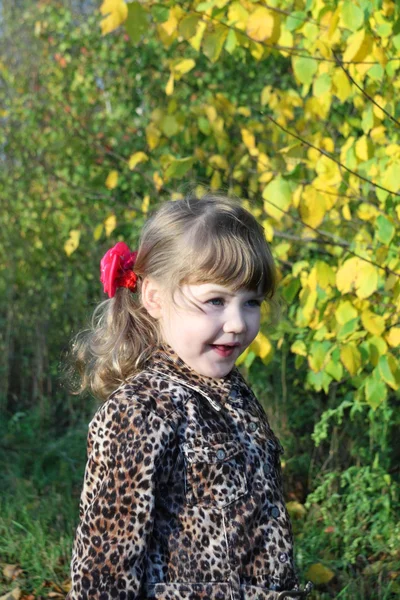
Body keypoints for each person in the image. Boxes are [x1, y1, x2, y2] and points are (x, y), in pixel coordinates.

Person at [67, 193, 313, 600]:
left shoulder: (232, 392)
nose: (237, 324)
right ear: (154, 298)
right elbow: (105, 565)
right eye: (215, 301)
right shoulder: (139, 410)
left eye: (251, 302)